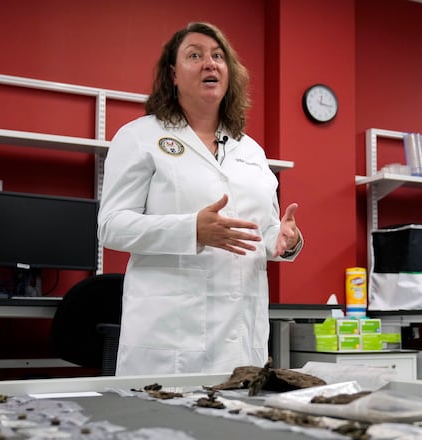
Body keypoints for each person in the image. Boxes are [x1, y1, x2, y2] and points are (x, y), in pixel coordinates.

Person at [97, 22, 303, 376]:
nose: (210, 63)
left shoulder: (251, 150)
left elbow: (264, 233)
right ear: (173, 74)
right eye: (195, 55)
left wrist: (285, 240)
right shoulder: (139, 137)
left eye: (218, 56)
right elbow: (111, 227)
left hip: (242, 336)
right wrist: (191, 230)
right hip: (170, 338)